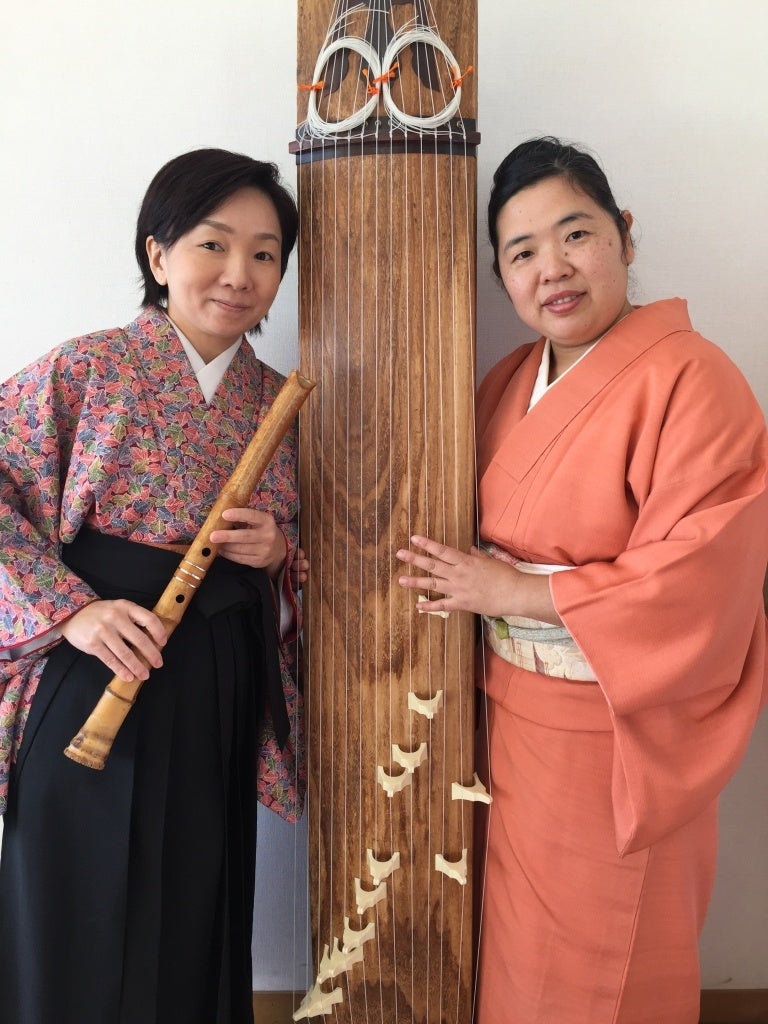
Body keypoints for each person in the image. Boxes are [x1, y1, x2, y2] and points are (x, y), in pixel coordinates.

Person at [396, 137, 768, 1023]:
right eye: (522, 253)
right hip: (511, 720)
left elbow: (704, 574)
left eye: (577, 235)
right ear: (501, 275)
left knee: (614, 965)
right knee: (521, 960)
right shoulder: (504, 383)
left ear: (625, 237)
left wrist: (515, 593)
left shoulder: (695, 378)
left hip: (621, 731)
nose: (552, 270)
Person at [0, 148, 306, 1024]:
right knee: (71, 908)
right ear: (157, 255)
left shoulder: (277, 401)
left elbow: (316, 560)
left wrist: (279, 552)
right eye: (213, 244)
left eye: (264, 253)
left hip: (215, 683)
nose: (238, 274)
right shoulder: (86, 369)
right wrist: (72, 611)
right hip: (93, 667)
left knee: (195, 904)